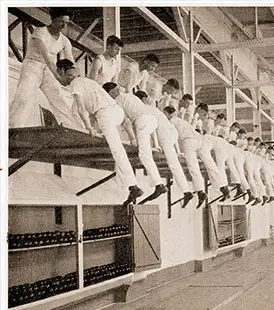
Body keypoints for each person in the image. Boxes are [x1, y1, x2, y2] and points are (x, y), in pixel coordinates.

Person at [56, 59, 143, 205]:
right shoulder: (89, 82)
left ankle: (133, 186)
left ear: (65, 73)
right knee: (116, 151)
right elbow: (90, 108)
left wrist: (89, 128)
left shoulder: (75, 83)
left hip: (105, 114)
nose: (62, 79)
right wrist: (92, 127)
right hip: (117, 112)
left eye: (61, 75)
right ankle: (128, 185)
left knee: (117, 151)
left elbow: (81, 108)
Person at [103, 83, 193, 208]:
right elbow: (151, 125)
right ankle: (183, 190)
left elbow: (126, 122)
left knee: (144, 155)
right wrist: (155, 144)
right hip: (157, 126)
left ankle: (156, 185)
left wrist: (132, 138)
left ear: (110, 92)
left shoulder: (118, 100)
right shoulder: (134, 99)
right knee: (170, 162)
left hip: (148, 123)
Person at [9, 8, 84, 130]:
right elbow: (47, 58)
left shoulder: (65, 41)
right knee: (24, 96)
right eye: (61, 22)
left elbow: (71, 62)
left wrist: (77, 78)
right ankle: (13, 127)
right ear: (53, 20)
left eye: (66, 23)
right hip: (32, 65)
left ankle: (75, 128)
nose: (64, 26)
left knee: (59, 98)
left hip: (49, 69)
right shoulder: (40, 32)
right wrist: (59, 78)